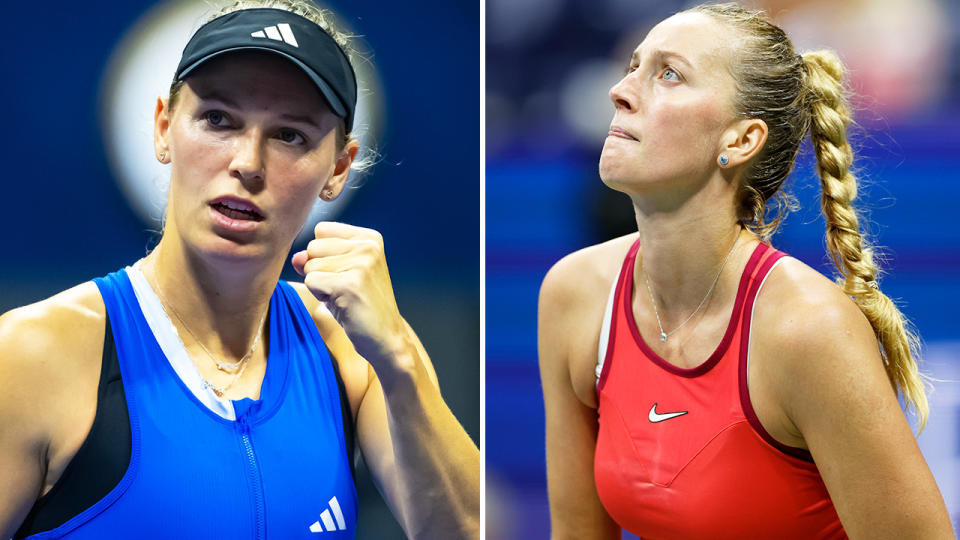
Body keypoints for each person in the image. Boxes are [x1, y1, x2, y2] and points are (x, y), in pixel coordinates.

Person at [0, 1, 479, 538]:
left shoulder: (355, 352)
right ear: (163, 128)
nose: (247, 162)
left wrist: (397, 357)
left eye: (290, 135)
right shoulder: (31, 354)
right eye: (218, 119)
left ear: (338, 168)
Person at [538, 3, 953, 538]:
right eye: (632, 67)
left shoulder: (808, 330)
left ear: (739, 141)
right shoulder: (574, 293)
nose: (620, 91)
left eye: (668, 74)